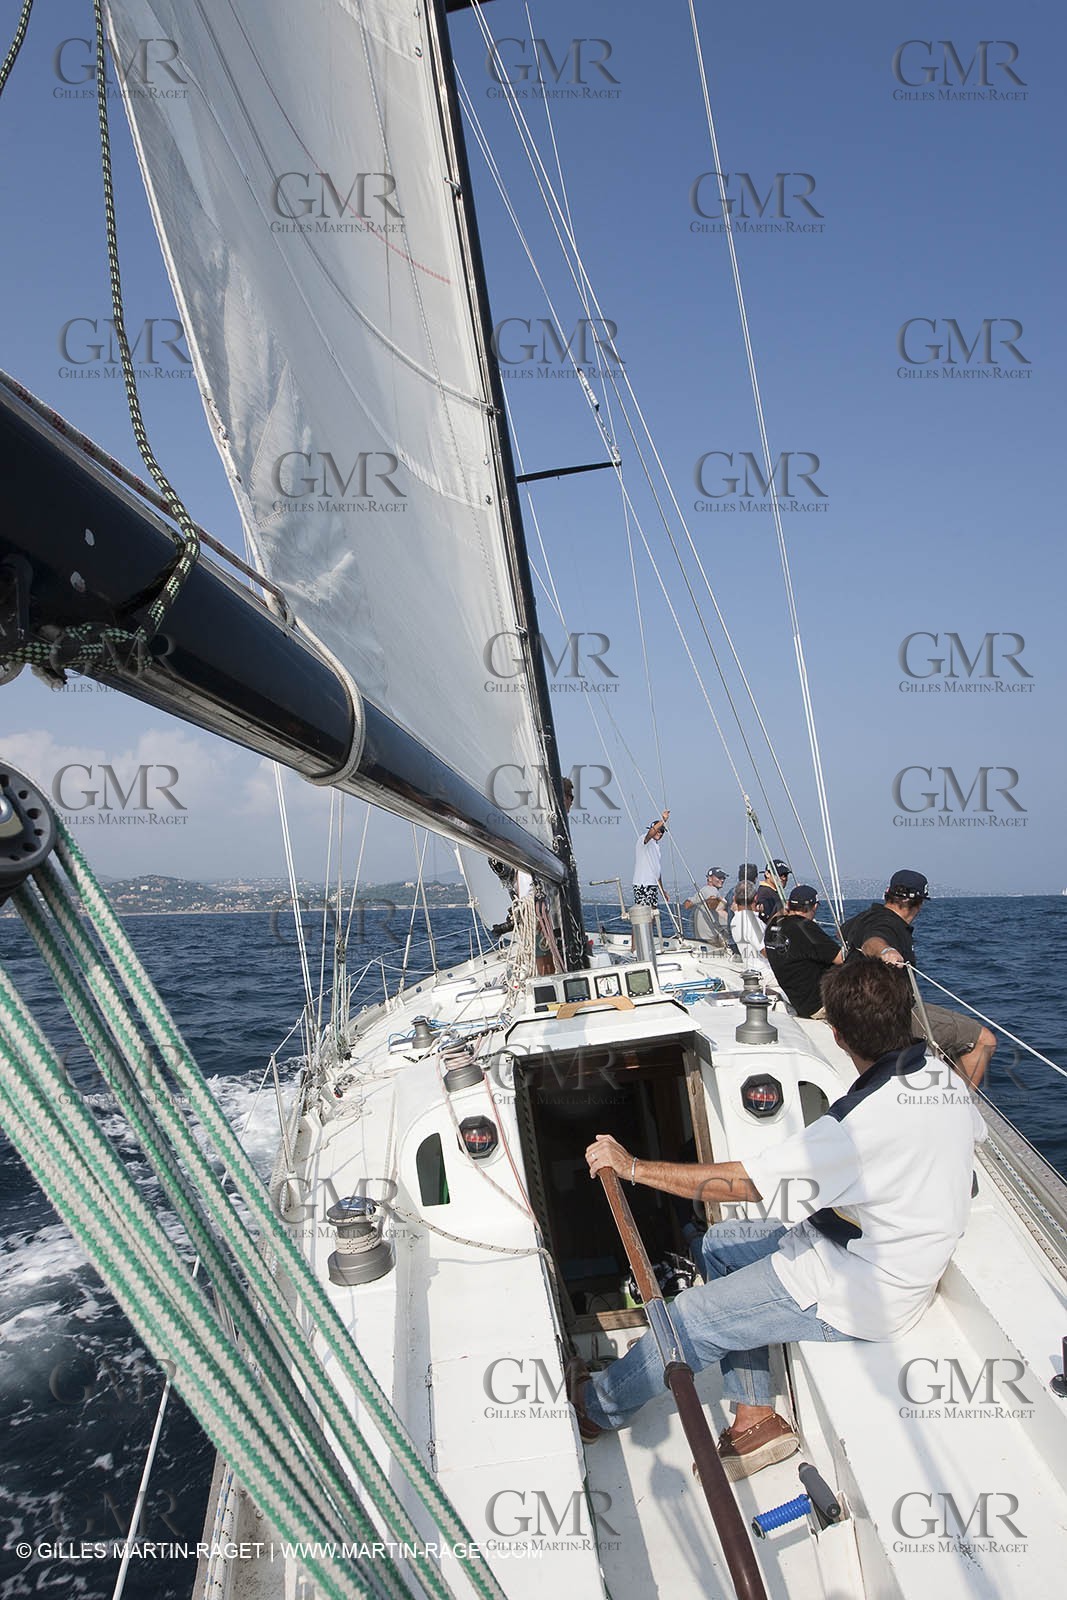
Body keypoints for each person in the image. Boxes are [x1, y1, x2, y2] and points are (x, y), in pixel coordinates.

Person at [567, 961, 986, 1478]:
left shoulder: (859, 1126)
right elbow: (972, 1139)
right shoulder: (939, 1076)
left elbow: (747, 1184)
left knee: (687, 1320)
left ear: (835, 1034)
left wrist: (631, 1167)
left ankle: (593, 1408)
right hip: (878, 1248)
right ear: (908, 1018)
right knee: (720, 1244)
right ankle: (754, 1415)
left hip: (857, 1287)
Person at [840, 870, 995, 1087]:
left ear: (888, 894)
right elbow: (872, 942)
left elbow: (844, 934)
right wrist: (885, 952)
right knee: (984, 1040)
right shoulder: (888, 925)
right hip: (884, 1014)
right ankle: (958, 1106)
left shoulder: (866, 916)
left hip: (853, 1006)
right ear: (919, 904)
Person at [764, 886, 843, 1016]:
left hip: (798, 999)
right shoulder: (806, 928)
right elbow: (840, 958)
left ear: (788, 904)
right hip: (819, 1004)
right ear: (815, 907)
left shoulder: (773, 925)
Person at [632, 810, 670, 911]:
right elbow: (651, 833)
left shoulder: (656, 847)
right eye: (658, 830)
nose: (660, 833)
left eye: (662, 831)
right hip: (643, 884)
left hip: (652, 884)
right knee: (645, 914)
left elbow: (657, 870)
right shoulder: (644, 840)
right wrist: (663, 820)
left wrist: (662, 890)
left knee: (653, 913)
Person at [684, 868, 728, 944]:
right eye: (719, 878)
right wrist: (724, 902)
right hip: (714, 938)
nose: (722, 880)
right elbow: (712, 903)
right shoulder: (711, 890)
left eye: (723, 878)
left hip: (702, 939)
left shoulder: (703, 891)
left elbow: (687, 904)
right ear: (710, 878)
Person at [729, 883, 767, 969]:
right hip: (766, 971)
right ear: (756, 898)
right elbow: (766, 952)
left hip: (751, 969)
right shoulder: (751, 921)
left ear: (734, 898)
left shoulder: (735, 919)